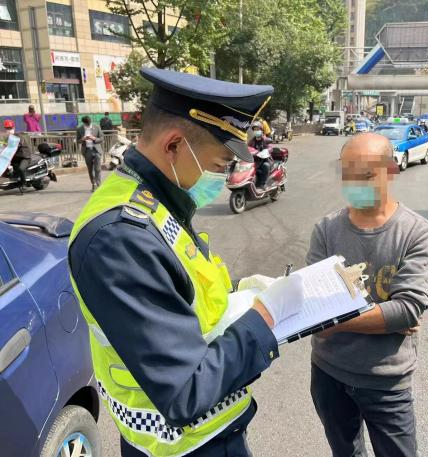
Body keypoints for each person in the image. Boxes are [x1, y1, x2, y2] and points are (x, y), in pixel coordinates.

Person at [68, 67, 304, 457]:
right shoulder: (120, 238)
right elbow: (185, 391)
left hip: (209, 434)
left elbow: (184, 290)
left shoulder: (156, 199)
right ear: (175, 145)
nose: (222, 178)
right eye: (219, 165)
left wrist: (243, 291)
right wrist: (265, 317)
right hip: (181, 446)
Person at [307, 132, 428, 457]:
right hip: (328, 373)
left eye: (365, 174)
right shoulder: (326, 229)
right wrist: (385, 316)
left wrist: (333, 321)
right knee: (345, 452)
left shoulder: (416, 233)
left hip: (386, 381)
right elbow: (312, 301)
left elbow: (406, 310)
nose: (355, 183)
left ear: (390, 170)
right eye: (347, 173)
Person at [76, 115, 104, 191]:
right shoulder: (79, 129)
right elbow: (77, 140)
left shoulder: (96, 127)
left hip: (96, 150)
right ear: (83, 123)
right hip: (87, 151)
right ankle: (93, 184)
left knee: (97, 169)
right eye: (87, 124)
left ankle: (98, 184)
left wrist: (95, 139)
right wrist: (82, 139)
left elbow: (102, 138)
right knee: (90, 169)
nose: (88, 125)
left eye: (89, 123)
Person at [3, 119, 31, 191]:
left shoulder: (18, 137)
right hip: (15, 158)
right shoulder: (7, 138)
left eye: (10, 128)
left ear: (14, 128)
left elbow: (13, 147)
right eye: (7, 128)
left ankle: (23, 183)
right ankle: (11, 180)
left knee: (20, 169)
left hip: (25, 157)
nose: (9, 130)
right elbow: (3, 145)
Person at [248, 120, 272, 188]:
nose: (256, 131)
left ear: (261, 130)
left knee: (266, 166)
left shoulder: (265, 140)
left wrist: (267, 150)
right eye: (255, 130)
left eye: (258, 129)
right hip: (254, 160)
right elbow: (247, 148)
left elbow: (270, 147)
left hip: (264, 160)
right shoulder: (251, 141)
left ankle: (263, 184)